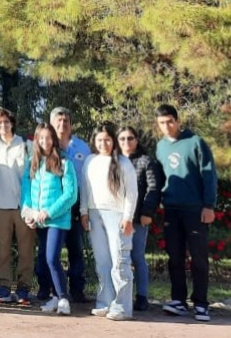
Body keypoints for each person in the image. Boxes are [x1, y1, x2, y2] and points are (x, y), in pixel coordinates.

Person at [155, 103, 217, 322]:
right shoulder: (160, 146)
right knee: (175, 257)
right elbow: (160, 179)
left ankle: (201, 303)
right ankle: (178, 300)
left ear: (178, 121)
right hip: (171, 209)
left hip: (195, 209)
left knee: (199, 257)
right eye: (162, 123)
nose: (167, 126)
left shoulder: (195, 142)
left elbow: (208, 174)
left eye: (170, 121)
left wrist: (208, 205)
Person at [80, 124, 138, 321]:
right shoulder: (90, 161)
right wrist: (84, 212)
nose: (103, 143)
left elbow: (132, 193)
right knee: (102, 262)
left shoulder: (123, 163)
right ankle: (105, 301)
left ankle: (122, 306)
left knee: (119, 260)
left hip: (118, 215)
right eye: (99, 140)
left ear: (113, 141)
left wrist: (128, 218)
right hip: (95, 215)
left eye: (107, 140)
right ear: (94, 142)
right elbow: (84, 188)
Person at [22, 122, 78, 316]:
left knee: (52, 258)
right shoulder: (32, 162)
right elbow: (26, 192)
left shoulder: (64, 162)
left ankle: (63, 298)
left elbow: (70, 194)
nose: (45, 141)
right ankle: (55, 297)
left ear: (54, 139)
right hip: (39, 221)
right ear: (37, 139)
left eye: (48, 137)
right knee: (46, 260)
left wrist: (49, 212)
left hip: (57, 220)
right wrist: (28, 213)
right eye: (41, 137)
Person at [36, 106, 90, 303]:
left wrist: (85, 209)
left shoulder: (83, 148)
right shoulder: (44, 146)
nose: (62, 124)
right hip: (49, 210)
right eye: (58, 120)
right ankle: (46, 288)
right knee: (46, 250)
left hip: (75, 206)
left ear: (71, 124)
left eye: (66, 121)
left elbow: (86, 181)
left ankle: (76, 289)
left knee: (76, 249)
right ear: (51, 124)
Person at [0, 106, 35, 305]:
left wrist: (34, 203)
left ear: (12, 123)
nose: (3, 125)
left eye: (6, 121)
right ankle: (4, 288)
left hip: (25, 205)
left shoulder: (26, 145)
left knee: (26, 250)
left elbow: (36, 174)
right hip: (1, 204)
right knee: (2, 249)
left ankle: (24, 289)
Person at [119, 125, 163, 312]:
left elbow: (153, 189)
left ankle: (142, 296)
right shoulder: (114, 161)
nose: (126, 142)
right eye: (122, 139)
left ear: (136, 140)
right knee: (119, 258)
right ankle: (121, 296)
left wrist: (147, 213)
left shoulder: (146, 162)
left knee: (137, 256)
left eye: (130, 138)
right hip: (115, 218)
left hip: (137, 219)